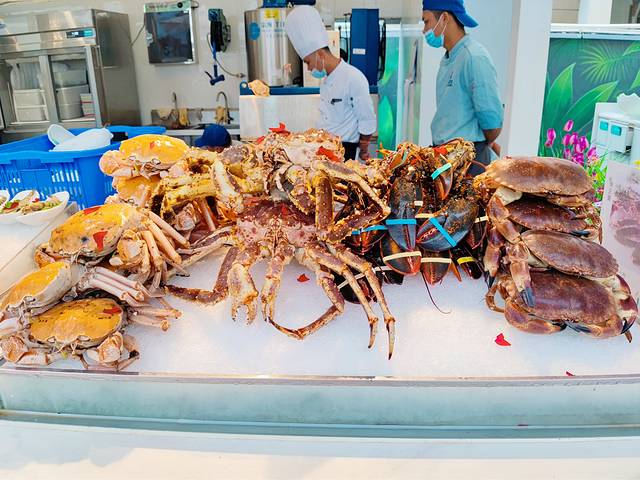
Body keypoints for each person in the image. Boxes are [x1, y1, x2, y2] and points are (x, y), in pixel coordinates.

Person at [422, 0, 503, 175]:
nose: (424, 30)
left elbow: (492, 123)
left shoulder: (474, 57)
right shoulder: (449, 57)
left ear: (444, 18)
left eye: (426, 21)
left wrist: (478, 146)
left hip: (467, 161)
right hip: (445, 155)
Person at [285, 6, 377, 161]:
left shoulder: (353, 77)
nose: (309, 68)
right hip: (323, 147)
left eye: (308, 62)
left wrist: (364, 148)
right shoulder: (327, 80)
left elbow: (366, 117)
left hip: (344, 149)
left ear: (320, 54)